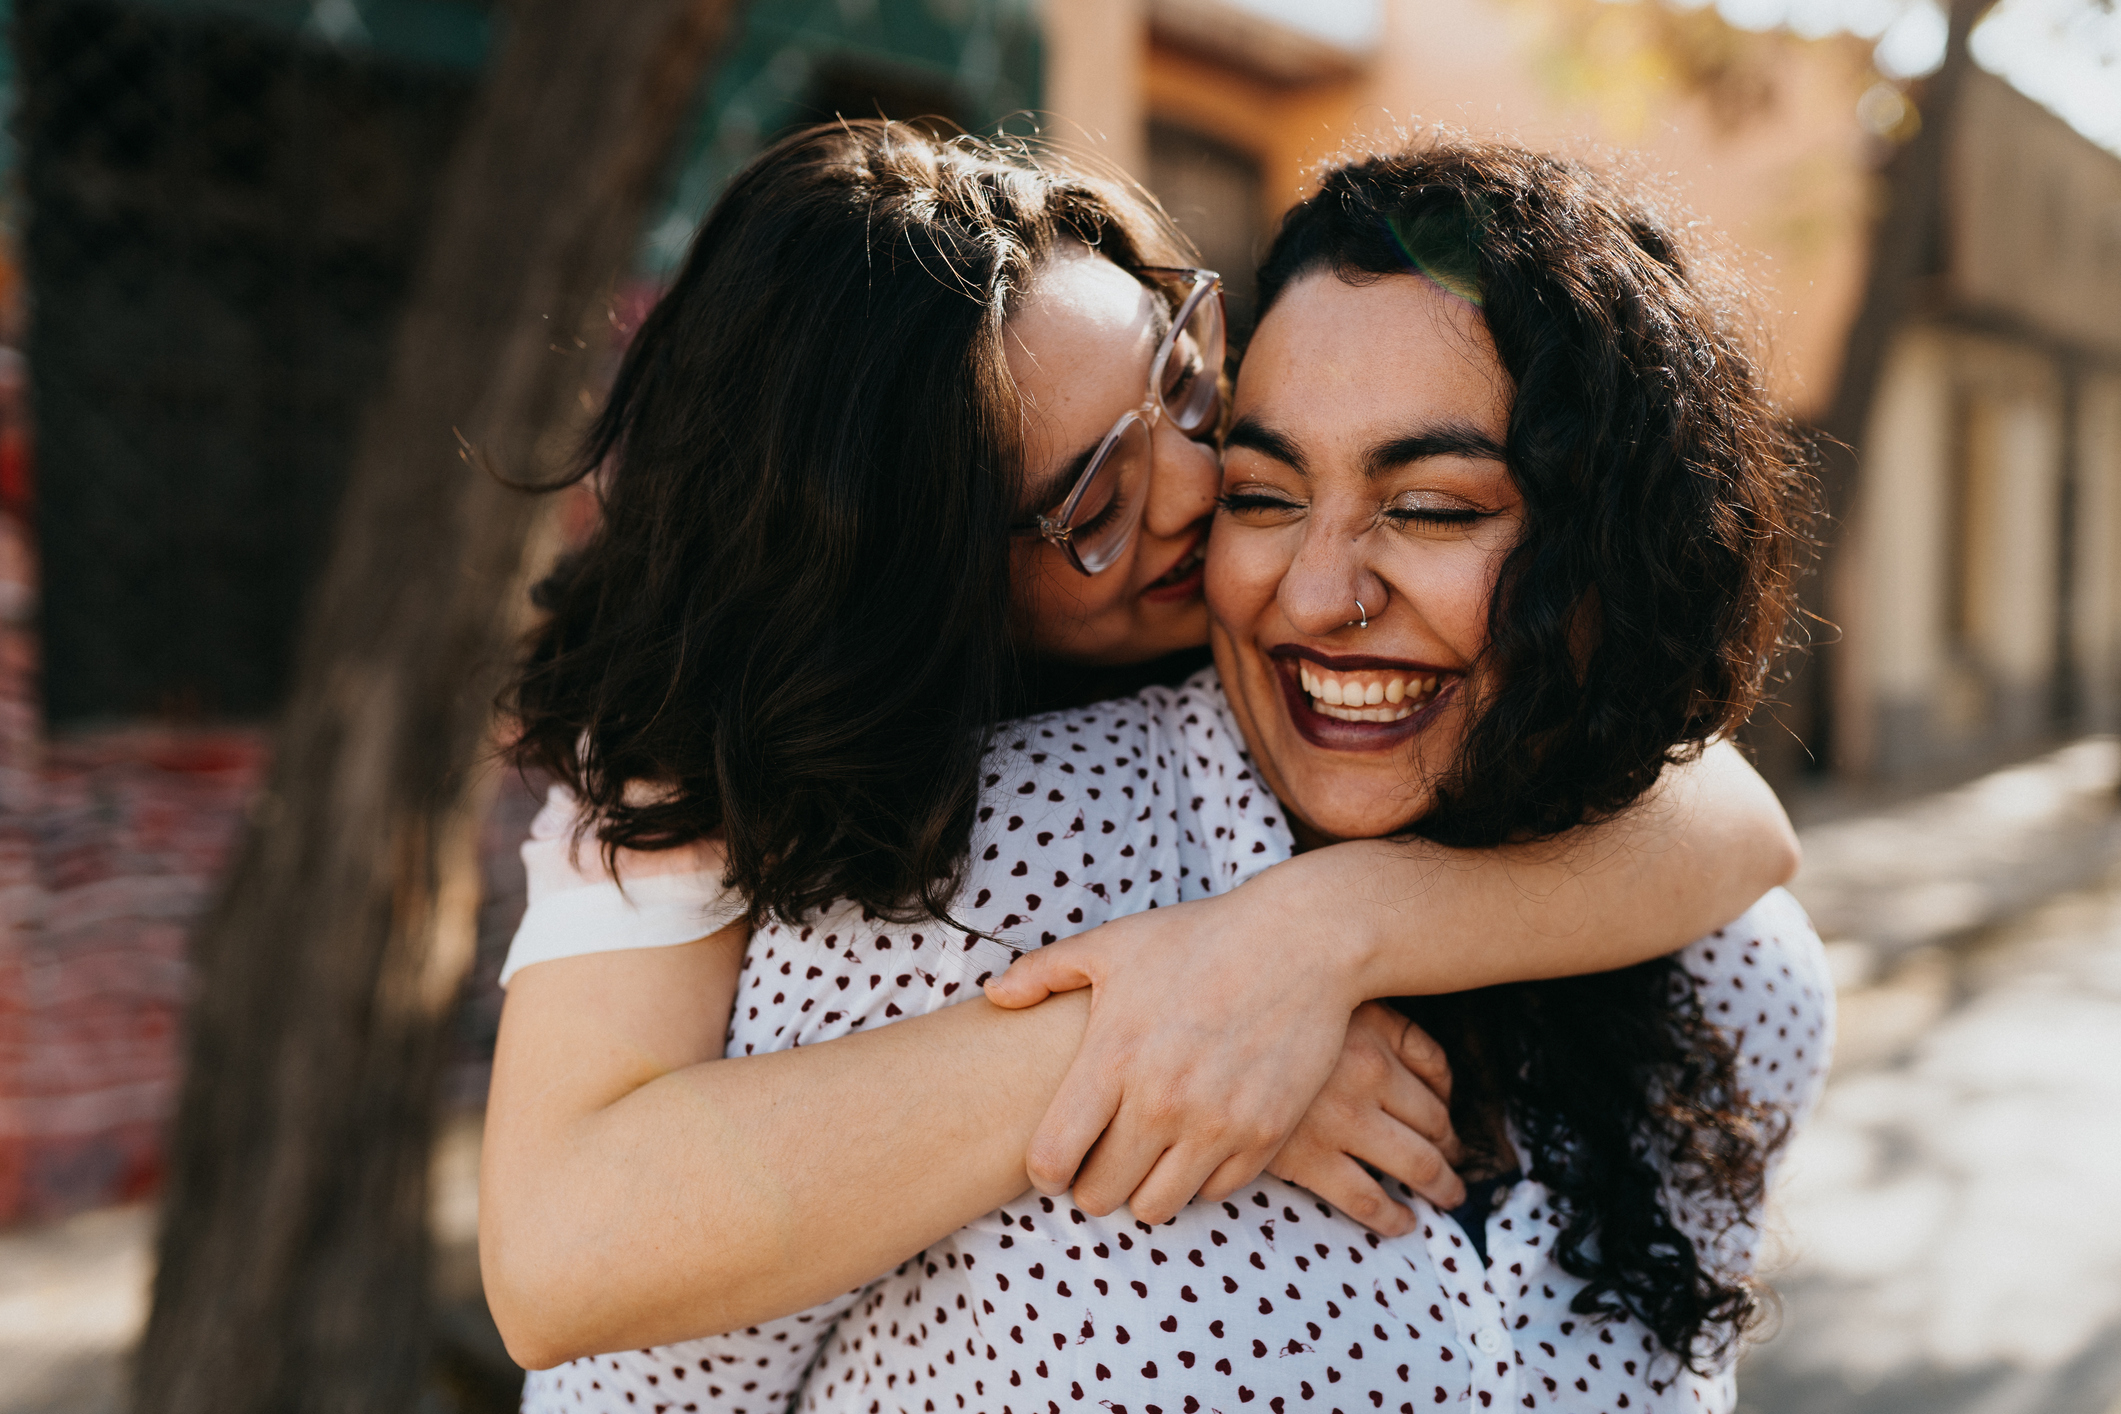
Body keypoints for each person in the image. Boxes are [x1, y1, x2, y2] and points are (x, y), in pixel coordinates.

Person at [479, 125, 1819, 1410]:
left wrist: (1313, 937)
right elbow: (563, 1260)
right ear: (934, 598)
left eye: (1185, 388)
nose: (1199, 485)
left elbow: (1730, 821)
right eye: (1094, 503)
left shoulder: (1709, 967)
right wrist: (1146, 1037)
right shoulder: (776, 805)